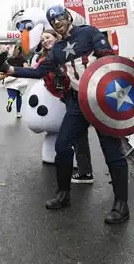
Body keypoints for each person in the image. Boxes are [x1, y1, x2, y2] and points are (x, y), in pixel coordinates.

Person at [0, 5, 129, 224]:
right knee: (62, 145)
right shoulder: (57, 49)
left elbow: (110, 61)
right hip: (77, 102)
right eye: (52, 20)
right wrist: (10, 70)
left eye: (60, 18)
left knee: (111, 150)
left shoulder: (89, 32)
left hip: (102, 100)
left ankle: (121, 205)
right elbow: (38, 71)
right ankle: (63, 194)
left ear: (68, 17)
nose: (57, 22)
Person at [35, 29, 94, 184]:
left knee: (77, 134)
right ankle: (80, 170)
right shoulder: (48, 56)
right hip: (63, 97)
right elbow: (36, 72)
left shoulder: (65, 53)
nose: (45, 41)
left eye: (48, 37)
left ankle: (84, 171)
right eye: (43, 39)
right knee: (68, 135)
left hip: (75, 96)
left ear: (57, 37)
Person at [4, 46, 29, 118]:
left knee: (11, 95)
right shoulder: (22, 58)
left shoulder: (9, 59)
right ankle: (18, 113)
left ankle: (10, 101)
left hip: (10, 78)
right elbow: (26, 68)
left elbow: (5, 68)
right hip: (20, 79)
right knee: (19, 96)